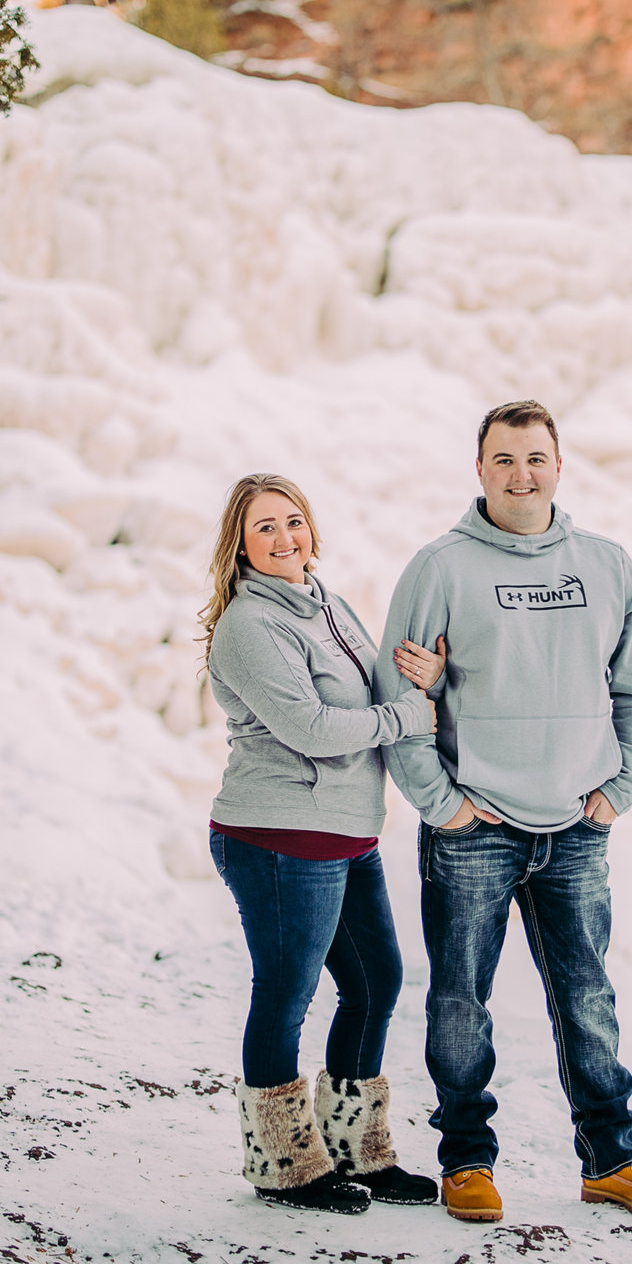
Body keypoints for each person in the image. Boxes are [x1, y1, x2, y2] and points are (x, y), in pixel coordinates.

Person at [376, 399, 632, 1224]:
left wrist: (620, 788)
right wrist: (441, 806)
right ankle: (467, 1161)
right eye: (505, 459)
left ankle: (614, 1158)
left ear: (559, 464)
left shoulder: (607, 564)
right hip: (476, 830)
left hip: (576, 828)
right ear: (480, 470)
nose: (522, 474)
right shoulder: (439, 568)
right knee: (459, 1002)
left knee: (587, 995)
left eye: (536, 457)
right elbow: (395, 695)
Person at [200, 473, 444, 1215]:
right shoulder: (251, 625)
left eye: (294, 521)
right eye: (265, 527)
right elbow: (309, 727)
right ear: (239, 545)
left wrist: (420, 679)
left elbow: (373, 688)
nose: (284, 538)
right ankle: (283, 1164)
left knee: (376, 980)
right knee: (287, 992)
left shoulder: (325, 602)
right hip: (277, 835)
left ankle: (357, 1152)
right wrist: (408, 719)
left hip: (343, 831)